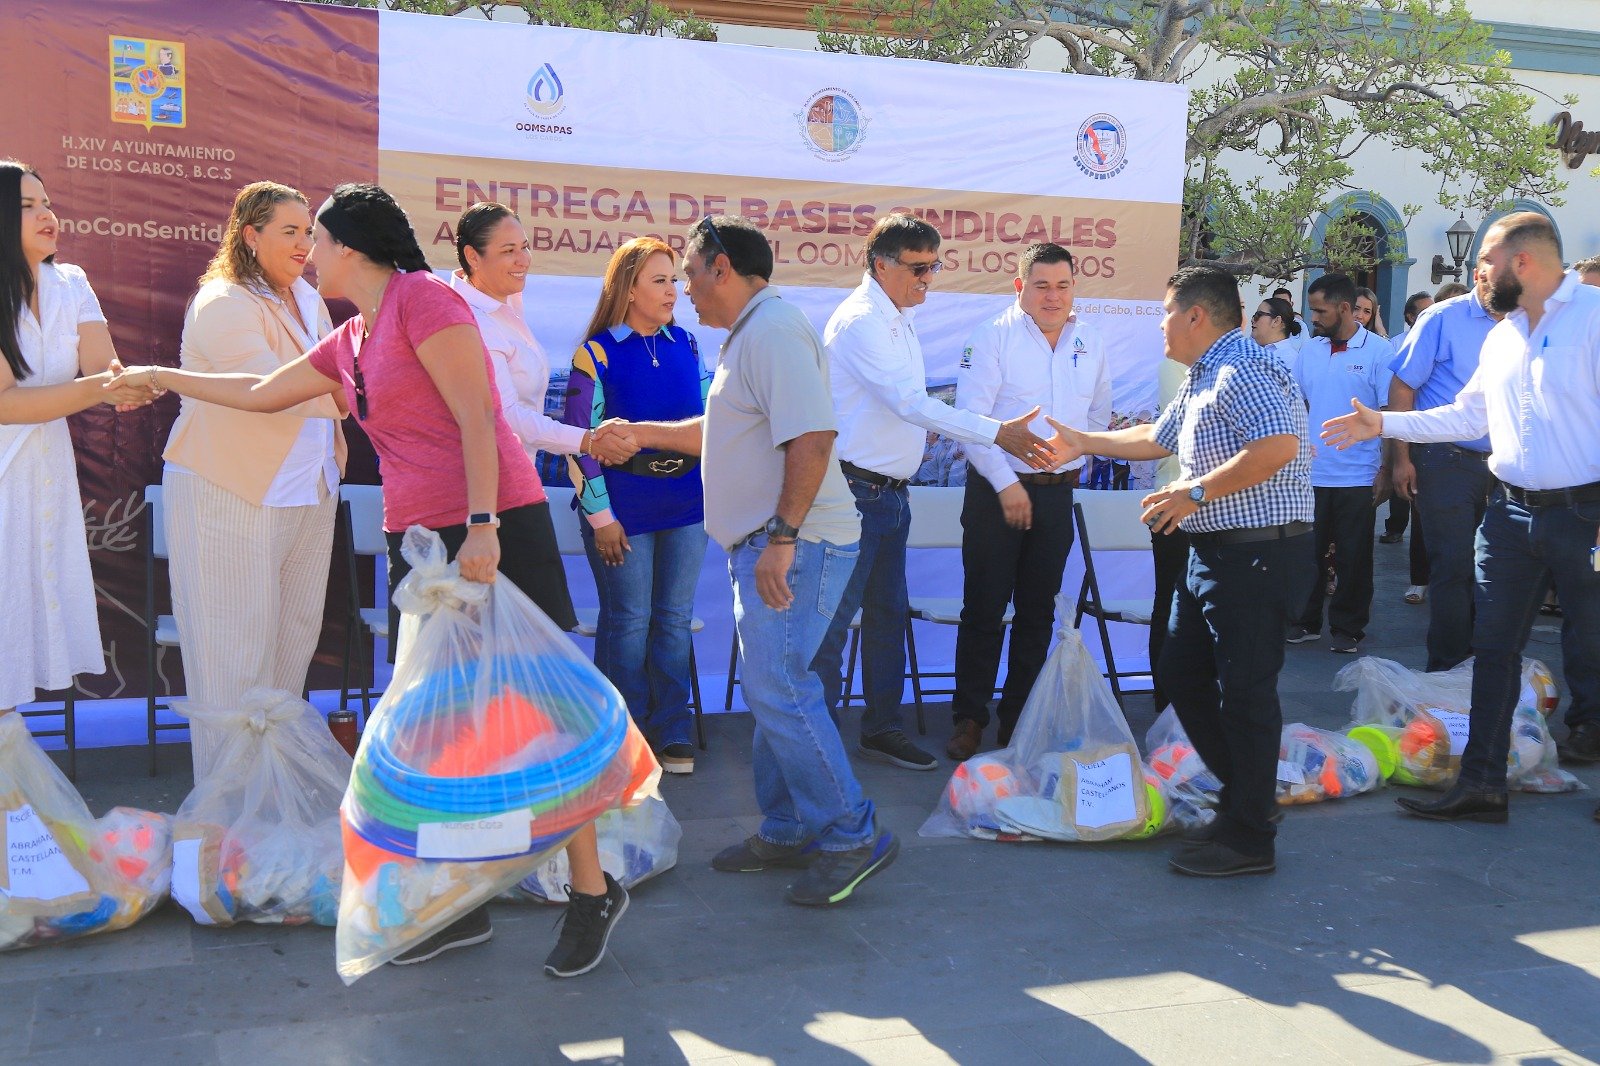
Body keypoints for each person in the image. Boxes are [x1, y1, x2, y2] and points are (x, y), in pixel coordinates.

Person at [110, 182, 624, 978]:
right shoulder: (351, 335)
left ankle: (591, 891)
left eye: (315, 239)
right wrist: (159, 374)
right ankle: (462, 899)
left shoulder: (426, 302)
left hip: (490, 524)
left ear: (348, 247)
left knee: (533, 712)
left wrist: (482, 525)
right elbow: (259, 393)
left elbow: (478, 417)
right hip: (416, 541)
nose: (308, 253)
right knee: (438, 726)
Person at [620, 215, 899, 905]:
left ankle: (849, 833)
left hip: (796, 544)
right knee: (777, 688)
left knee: (781, 688)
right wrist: (639, 433)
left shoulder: (771, 331)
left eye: (689, 273)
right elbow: (724, 433)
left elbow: (813, 437)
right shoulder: (754, 333)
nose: (685, 288)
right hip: (780, 541)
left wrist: (781, 538)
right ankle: (790, 827)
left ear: (721, 267)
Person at [1323, 212, 1600, 823]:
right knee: (1492, 649)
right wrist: (1383, 423)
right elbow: (1467, 416)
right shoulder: (1504, 336)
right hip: (1510, 514)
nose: (1479, 273)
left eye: (1487, 262)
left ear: (1522, 261)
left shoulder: (1594, 318)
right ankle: (1482, 785)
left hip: (1586, 512)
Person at [1042, 266, 1314, 876]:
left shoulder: (1243, 368)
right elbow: (1158, 437)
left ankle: (1250, 837)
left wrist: (1193, 493)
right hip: (1214, 551)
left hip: (1256, 554)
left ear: (1196, 316)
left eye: (1166, 312)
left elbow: (1276, 447)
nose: (1160, 325)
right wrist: (1083, 441)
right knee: (1182, 673)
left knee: (1245, 693)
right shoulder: (1207, 372)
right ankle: (1248, 800)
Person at [814, 213, 1051, 772]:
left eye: (933, 267)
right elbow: (909, 404)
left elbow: (910, 404)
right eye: (918, 268)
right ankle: (815, 743)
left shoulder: (897, 315)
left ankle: (881, 728)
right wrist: (996, 432)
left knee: (886, 618)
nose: (928, 279)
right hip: (855, 493)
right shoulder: (860, 321)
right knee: (832, 624)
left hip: (888, 496)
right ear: (881, 265)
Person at [161, 181, 346, 778]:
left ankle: (270, 803)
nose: (304, 244)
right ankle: (224, 812)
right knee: (231, 661)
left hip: (309, 492)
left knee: (290, 653)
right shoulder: (223, 300)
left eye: (308, 232)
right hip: (229, 492)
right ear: (250, 236)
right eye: (289, 232)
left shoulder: (310, 301)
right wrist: (365, 389)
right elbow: (272, 390)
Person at [0, 161, 154, 720]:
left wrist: (129, 385)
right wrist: (103, 389)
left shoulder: (72, 283)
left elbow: (102, 366)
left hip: (45, 478)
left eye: (47, 203)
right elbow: (6, 405)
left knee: (19, 630)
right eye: (27, 206)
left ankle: (11, 765)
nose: (47, 215)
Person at [945, 243, 1110, 760]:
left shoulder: (1090, 339)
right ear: (1020, 287)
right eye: (1041, 286)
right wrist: (1006, 484)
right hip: (997, 494)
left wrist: (1074, 451)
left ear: (1074, 288)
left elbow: (1098, 416)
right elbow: (971, 424)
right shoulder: (992, 337)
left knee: (1038, 613)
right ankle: (969, 718)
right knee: (984, 609)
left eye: (1062, 286)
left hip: (1056, 496)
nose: (1052, 296)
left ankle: (1019, 719)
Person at [561, 237, 709, 775]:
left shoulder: (687, 344)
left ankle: (672, 729)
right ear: (627, 289)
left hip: (686, 505)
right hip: (623, 508)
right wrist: (602, 518)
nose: (673, 291)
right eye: (660, 281)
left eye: (674, 280)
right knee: (628, 620)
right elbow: (578, 445)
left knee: (673, 619)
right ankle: (622, 739)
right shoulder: (596, 353)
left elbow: (711, 426)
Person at [1385, 266, 1499, 671]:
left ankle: (1483, 668)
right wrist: (1401, 459)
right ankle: (1448, 669)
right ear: (1480, 273)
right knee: (1453, 566)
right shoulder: (1441, 317)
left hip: (1503, 467)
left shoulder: (1524, 319)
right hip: (1443, 459)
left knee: (1494, 569)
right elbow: (1403, 386)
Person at [1286, 273, 1394, 654]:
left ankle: (1348, 627)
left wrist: (1387, 469)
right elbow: (1297, 402)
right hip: (1311, 474)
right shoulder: (1310, 351)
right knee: (1306, 553)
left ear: (1345, 309)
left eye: (1320, 311)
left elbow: (1388, 414)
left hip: (1358, 475)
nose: (1313, 318)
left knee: (1354, 556)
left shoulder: (1379, 352)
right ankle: (1304, 620)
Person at [1250, 296, 1302, 374]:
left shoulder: (1289, 359)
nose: (1252, 320)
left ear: (1276, 321)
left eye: (1258, 315)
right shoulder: (1252, 349)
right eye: (1254, 316)